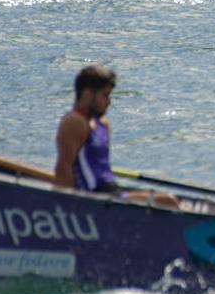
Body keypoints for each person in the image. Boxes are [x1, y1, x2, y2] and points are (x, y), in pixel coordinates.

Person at [53, 65, 177, 207]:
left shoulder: (102, 124)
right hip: (95, 197)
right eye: (104, 95)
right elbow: (63, 169)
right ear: (87, 94)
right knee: (169, 201)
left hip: (112, 192)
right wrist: (66, 207)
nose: (109, 101)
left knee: (169, 200)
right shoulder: (74, 122)